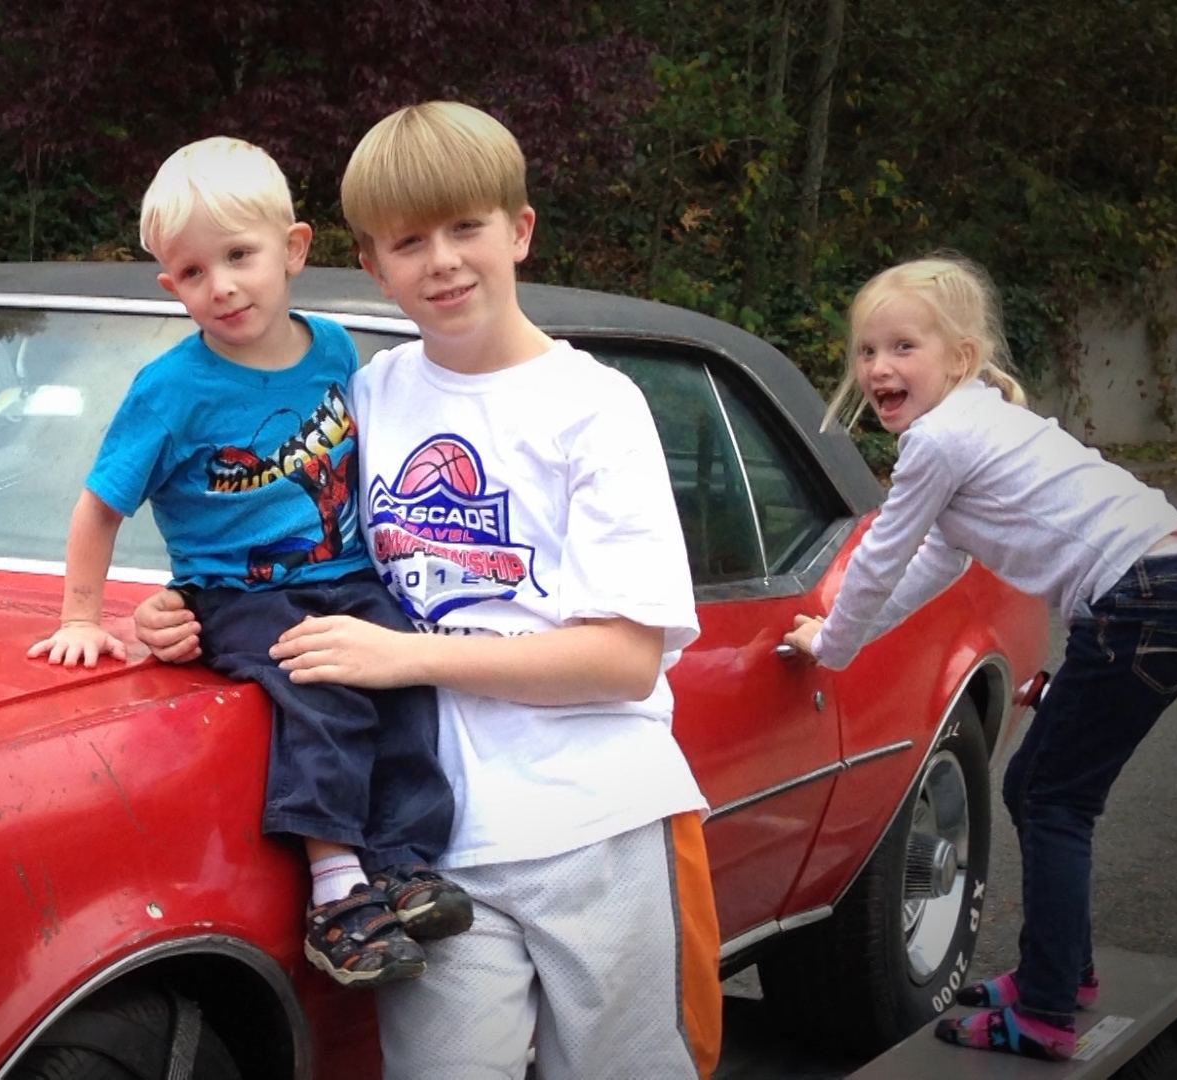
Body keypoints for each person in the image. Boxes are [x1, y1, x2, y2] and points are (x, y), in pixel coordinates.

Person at [137, 103, 722, 1080]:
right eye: (410, 241)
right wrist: (185, 606)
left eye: (467, 229)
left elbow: (624, 660)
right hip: (429, 852)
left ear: (519, 231)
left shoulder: (599, 409)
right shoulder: (366, 397)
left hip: (602, 827)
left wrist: (407, 655)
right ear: (371, 263)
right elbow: (274, 540)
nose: (442, 261)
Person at [27, 136, 470, 989]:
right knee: (323, 686)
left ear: (293, 250)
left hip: (344, 576)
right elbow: (99, 506)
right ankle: (336, 893)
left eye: (239, 256)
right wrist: (83, 615)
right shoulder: (171, 389)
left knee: (408, 676)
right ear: (171, 286)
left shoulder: (337, 350)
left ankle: (404, 864)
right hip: (238, 593)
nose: (221, 285)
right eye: (194, 273)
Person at [782, 253, 1177, 1061]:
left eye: (903, 348)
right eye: (866, 351)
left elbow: (883, 555)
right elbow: (935, 565)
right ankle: (1064, 971)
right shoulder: (978, 425)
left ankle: (1051, 1010)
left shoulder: (941, 440)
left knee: (1055, 799)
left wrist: (833, 643)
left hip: (1144, 602)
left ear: (960, 358)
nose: (879, 367)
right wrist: (845, 635)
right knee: (1039, 786)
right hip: (1169, 590)